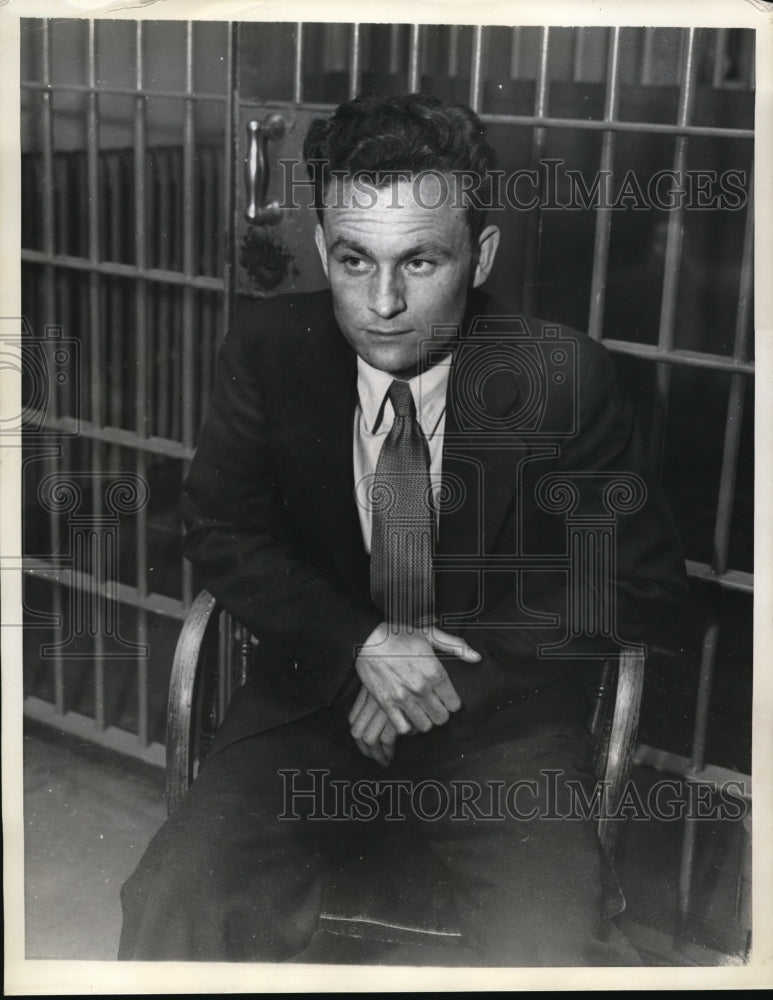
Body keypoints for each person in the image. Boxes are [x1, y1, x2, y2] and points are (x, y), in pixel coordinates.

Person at [118, 92, 689, 965]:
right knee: (177, 899)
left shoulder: (560, 374)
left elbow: (631, 579)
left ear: (480, 254)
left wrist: (423, 680)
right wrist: (359, 645)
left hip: (503, 721)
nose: (381, 303)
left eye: (420, 262)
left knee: (550, 945)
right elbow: (222, 528)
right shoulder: (268, 348)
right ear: (320, 248)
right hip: (316, 698)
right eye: (354, 260)